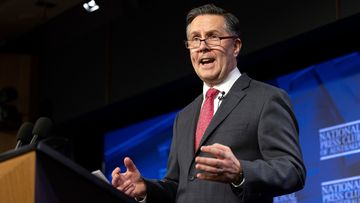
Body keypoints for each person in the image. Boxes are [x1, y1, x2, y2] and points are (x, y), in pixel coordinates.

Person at [111, 3, 306, 203]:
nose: (203, 46)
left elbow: (292, 170)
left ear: (236, 46)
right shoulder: (184, 116)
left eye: (213, 36)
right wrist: (145, 188)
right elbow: (177, 185)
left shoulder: (266, 98)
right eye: (195, 39)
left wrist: (240, 172)